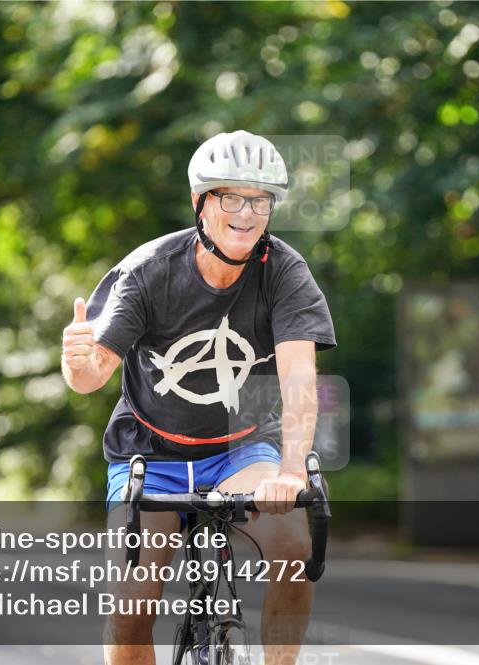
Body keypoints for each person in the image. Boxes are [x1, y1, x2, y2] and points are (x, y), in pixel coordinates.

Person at [62, 130, 336, 665]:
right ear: (200, 203)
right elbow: (92, 376)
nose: (247, 213)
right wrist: (77, 363)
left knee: (292, 547)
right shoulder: (149, 272)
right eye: (231, 197)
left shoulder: (284, 270)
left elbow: (299, 381)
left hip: (239, 448)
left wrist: (290, 473)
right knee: (131, 608)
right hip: (150, 451)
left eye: (260, 200)